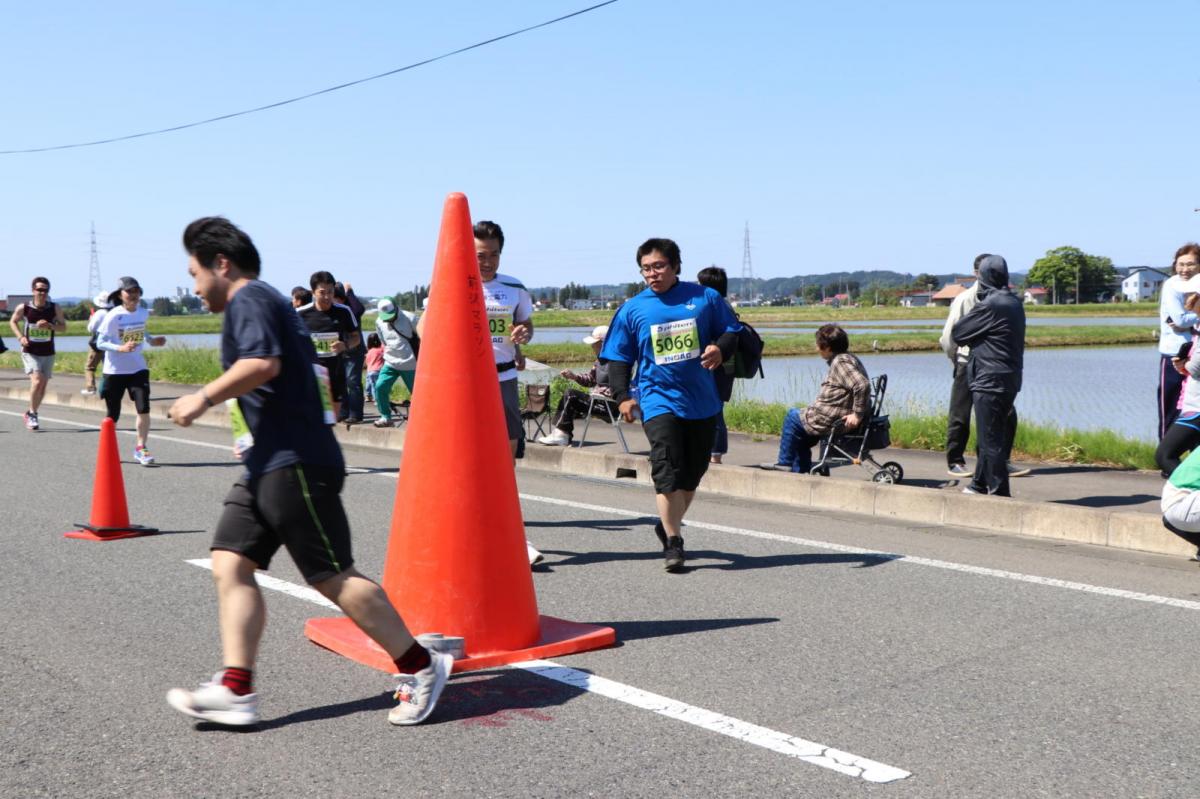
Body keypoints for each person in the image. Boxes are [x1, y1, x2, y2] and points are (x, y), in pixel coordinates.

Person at [166, 216, 451, 728]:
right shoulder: (269, 302)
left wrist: (200, 397)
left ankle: (421, 666)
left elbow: (262, 364)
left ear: (221, 265)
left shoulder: (249, 299)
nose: (194, 286)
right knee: (230, 562)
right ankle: (236, 687)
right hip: (265, 461)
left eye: (194, 273)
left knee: (332, 575)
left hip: (293, 461)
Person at [601, 237, 741, 572]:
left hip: (702, 402)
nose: (653, 273)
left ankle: (667, 522)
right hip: (657, 398)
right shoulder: (634, 308)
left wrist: (720, 348)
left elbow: (732, 331)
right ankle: (674, 542)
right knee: (666, 467)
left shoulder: (704, 298)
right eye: (646, 268)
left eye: (659, 266)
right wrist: (623, 397)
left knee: (692, 475)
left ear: (676, 266)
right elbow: (618, 358)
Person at [417, 220, 542, 566]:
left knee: (506, 459)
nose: (487, 262)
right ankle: (459, 533)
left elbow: (526, 324)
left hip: (502, 380)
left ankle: (511, 535)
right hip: (464, 384)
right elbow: (424, 327)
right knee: (461, 460)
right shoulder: (450, 284)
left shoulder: (514, 287)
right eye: (480, 255)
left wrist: (523, 333)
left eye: (494, 255)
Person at [939, 255, 1028, 479]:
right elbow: (950, 337)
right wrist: (956, 358)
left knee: (1005, 415)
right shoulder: (965, 299)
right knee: (960, 414)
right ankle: (956, 461)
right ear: (975, 272)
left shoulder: (1006, 299)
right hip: (966, 361)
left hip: (993, 366)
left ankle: (997, 460)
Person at [760, 324, 870, 473]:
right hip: (833, 415)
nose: (817, 348)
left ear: (828, 347)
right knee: (801, 432)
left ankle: (784, 462)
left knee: (792, 417)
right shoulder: (849, 357)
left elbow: (862, 384)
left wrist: (857, 414)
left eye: (819, 345)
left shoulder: (840, 362)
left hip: (832, 419)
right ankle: (801, 469)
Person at [96, 276, 167, 463]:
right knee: (113, 413)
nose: (134, 295)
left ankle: (141, 448)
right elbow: (100, 342)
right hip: (115, 371)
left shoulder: (143, 312)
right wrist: (120, 348)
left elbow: (141, 330)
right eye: (129, 291)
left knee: (143, 408)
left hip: (138, 368)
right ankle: (108, 448)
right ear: (121, 295)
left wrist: (152, 341)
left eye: (136, 291)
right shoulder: (112, 316)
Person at [296, 272, 359, 421]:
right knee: (311, 418)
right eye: (322, 293)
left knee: (332, 420)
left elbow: (356, 338)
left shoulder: (343, 311)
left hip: (335, 372)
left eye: (330, 292)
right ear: (313, 292)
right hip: (310, 372)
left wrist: (345, 345)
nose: (327, 297)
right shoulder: (301, 313)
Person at [537, 325, 616, 446]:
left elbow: (621, 386)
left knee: (571, 395)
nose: (592, 346)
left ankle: (561, 434)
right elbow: (590, 380)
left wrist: (601, 393)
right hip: (597, 401)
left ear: (604, 343)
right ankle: (561, 433)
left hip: (608, 406)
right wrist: (574, 376)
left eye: (595, 343)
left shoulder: (618, 362)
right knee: (570, 395)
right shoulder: (599, 361)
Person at [8, 276, 67, 430]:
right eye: (39, 290)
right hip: (30, 350)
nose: (42, 293)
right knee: (37, 381)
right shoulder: (25, 307)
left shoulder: (54, 308)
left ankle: (30, 412)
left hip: (48, 351)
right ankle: (33, 414)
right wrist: (20, 337)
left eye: (45, 290)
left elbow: (63, 327)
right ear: (33, 290)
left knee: (43, 385)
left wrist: (50, 326)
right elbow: (13, 321)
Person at [1156, 278, 1200, 476]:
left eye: (1193, 295)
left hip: (1197, 407)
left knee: (1165, 455)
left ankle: (1187, 491)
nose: (1188, 300)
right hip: (1194, 403)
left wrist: (1184, 365)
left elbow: (1197, 367)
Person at [1158, 243, 1200, 439]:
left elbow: (1184, 321)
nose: (1185, 269)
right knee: (1171, 407)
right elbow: (1179, 320)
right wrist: (1194, 319)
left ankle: (1192, 461)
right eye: (1180, 264)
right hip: (1175, 353)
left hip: (1197, 355)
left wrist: (1188, 321)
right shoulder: (1172, 285)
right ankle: (1166, 458)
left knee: (1194, 410)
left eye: (1190, 264)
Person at [697, 266, 734, 464]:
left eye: (700, 284)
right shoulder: (720, 305)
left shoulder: (718, 306)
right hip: (719, 366)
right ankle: (711, 452)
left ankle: (715, 455)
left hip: (720, 366)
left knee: (715, 408)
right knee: (712, 407)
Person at [372, 298, 418, 428]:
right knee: (380, 387)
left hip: (411, 363)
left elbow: (423, 336)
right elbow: (383, 341)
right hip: (390, 362)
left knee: (418, 393)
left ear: (397, 308)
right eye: (385, 317)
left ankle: (420, 418)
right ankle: (385, 417)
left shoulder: (410, 318)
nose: (388, 319)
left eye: (391, 316)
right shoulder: (379, 321)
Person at [335, 282, 367, 424]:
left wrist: (350, 292)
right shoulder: (332, 309)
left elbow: (359, 309)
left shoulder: (350, 309)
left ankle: (355, 414)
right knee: (341, 382)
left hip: (354, 350)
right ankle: (343, 412)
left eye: (337, 297)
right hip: (340, 351)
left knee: (352, 382)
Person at [82, 291, 112, 395]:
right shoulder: (114, 312)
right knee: (107, 367)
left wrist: (91, 319)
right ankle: (108, 389)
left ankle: (91, 388)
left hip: (98, 344)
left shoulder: (100, 313)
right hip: (111, 344)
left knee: (90, 366)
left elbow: (91, 328)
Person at [365, 332, 384, 402]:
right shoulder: (381, 349)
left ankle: (373, 398)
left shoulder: (369, 351)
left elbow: (366, 362)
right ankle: (378, 400)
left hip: (370, 371)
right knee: (379, 387)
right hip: (378, 370)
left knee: (373, 386)